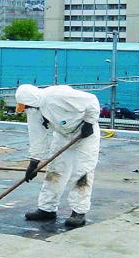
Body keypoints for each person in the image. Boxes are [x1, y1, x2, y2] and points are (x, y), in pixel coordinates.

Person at [15, 84, 101, 228]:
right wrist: (34, 161)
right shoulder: (33, 111)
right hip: (63, 136)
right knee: (55, 171)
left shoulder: (57, 95)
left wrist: (89, 122)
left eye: (27, 106)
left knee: (81, 173)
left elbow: (92, 101)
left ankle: (78, 212)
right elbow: (37, 136)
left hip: (85, 134)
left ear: (32, 101)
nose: (26, 109)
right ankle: (46, 209)